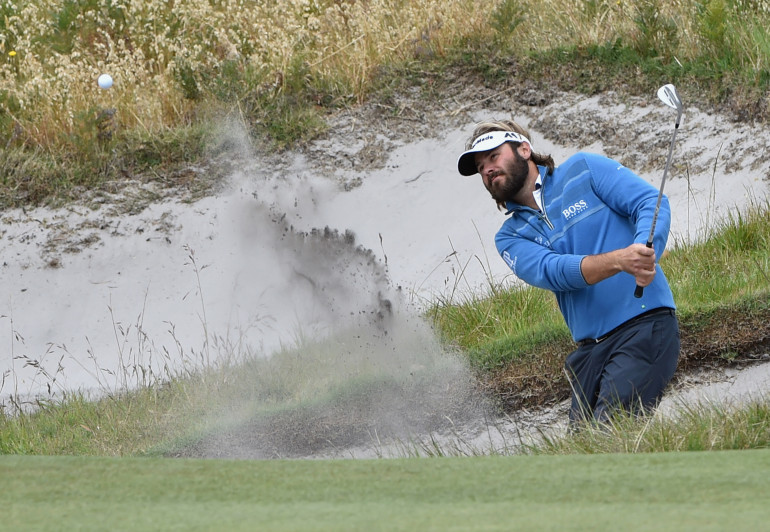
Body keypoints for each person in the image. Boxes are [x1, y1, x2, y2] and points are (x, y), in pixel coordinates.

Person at [457, 119, 680, 426]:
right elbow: (554, 272)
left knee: (609, 436)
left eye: (494, 157)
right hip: (589, 352)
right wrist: (619, 260)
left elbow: (649, 202)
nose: (487, 170)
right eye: (481, 167)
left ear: (524, 150)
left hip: (645, 326)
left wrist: (643, 248)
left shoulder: (584, 168)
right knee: (582, 450)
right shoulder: (509, 236)